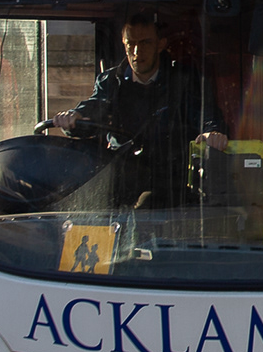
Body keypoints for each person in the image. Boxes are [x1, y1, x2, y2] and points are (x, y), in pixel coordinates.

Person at [51, 12, 226, 208]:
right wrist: (75, 118)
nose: (136, 52)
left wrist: (212, 132)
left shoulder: (185, 81)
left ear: (161, 44)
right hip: (122, 178)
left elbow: (206, 115)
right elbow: (95, 106)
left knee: (150, 204)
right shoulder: (110, 81)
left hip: (170, 180)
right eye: (130, 44)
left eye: (145, 43)